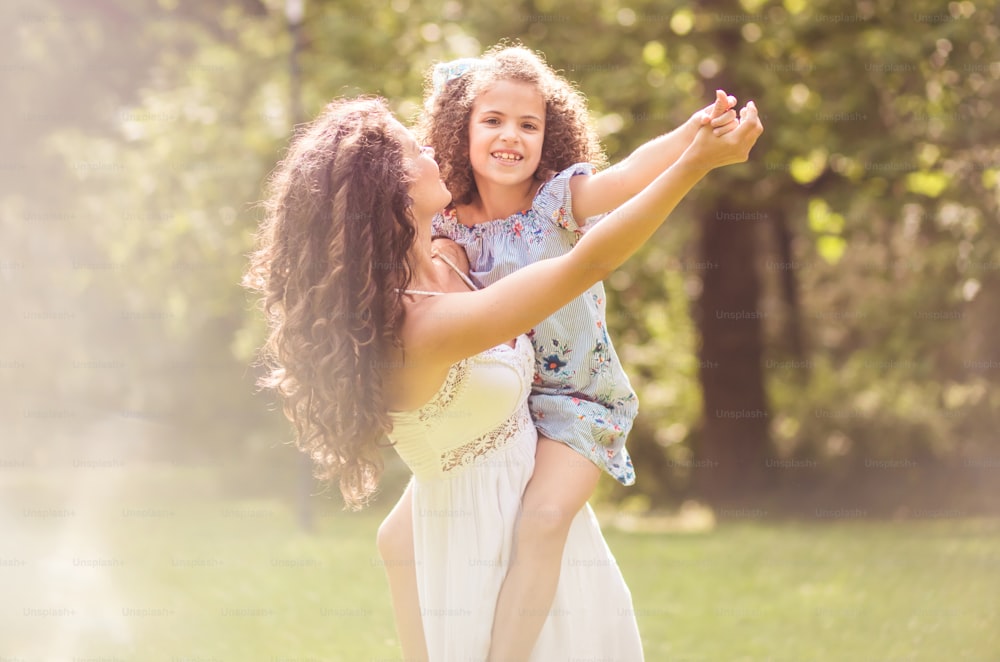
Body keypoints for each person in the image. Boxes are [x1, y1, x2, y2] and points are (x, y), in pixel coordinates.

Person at [244, 94, 760, 661]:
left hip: (530, 533)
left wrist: (686, 136)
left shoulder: (448, 259)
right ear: (386, 189)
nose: (428, 146)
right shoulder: (418, 327)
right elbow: (586, 265)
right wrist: (694, 164)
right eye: (410, 147)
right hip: (484, 550)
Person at [377, 44, 743, 661]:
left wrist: (691, 135)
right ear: (459, 130)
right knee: (396, 539)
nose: (510, 137)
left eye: (529, 125)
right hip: (505, 409)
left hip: (579, 402)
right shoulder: (451, 226)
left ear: (550, 137)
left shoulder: (557, 201)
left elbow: (629, 175)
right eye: (491, 121)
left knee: (545, 520)